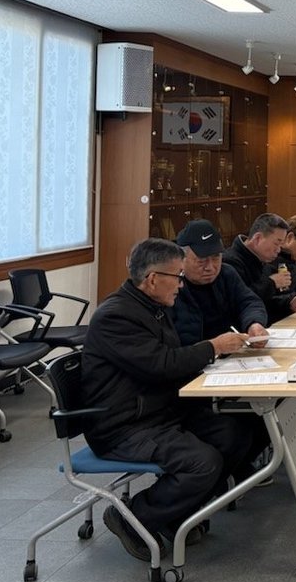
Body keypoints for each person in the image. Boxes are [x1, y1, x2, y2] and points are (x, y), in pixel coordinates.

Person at [82, 238, 254, 562]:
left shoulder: (153, 308)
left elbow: (170, 359)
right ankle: (133, 518)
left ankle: (177, 515)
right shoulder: (116, 317)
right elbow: (161, 364)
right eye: (177, 276)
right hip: (124, 426)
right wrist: (214, 347)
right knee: (202, 462)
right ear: (152, 279)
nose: (181, 284)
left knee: (234, 434)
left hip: (158, 411)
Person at [170, 219, 269, 345]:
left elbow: (248, 302)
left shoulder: (226, 273)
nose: (210, 267)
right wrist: (214, 347)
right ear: (182, 259)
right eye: (201, 261)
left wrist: (254, 324)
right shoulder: (170, 285)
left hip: (231, 351)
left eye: (216, 258)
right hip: (194, 354)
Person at [223, 213, 296, 322]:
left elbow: (268, 301)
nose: (278, 250)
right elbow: (241, 301)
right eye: (276, 244)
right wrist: (271, 283)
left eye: (280, 245)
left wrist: (290, 302)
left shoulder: (262, 259)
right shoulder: (230, 262)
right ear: (258, 238)